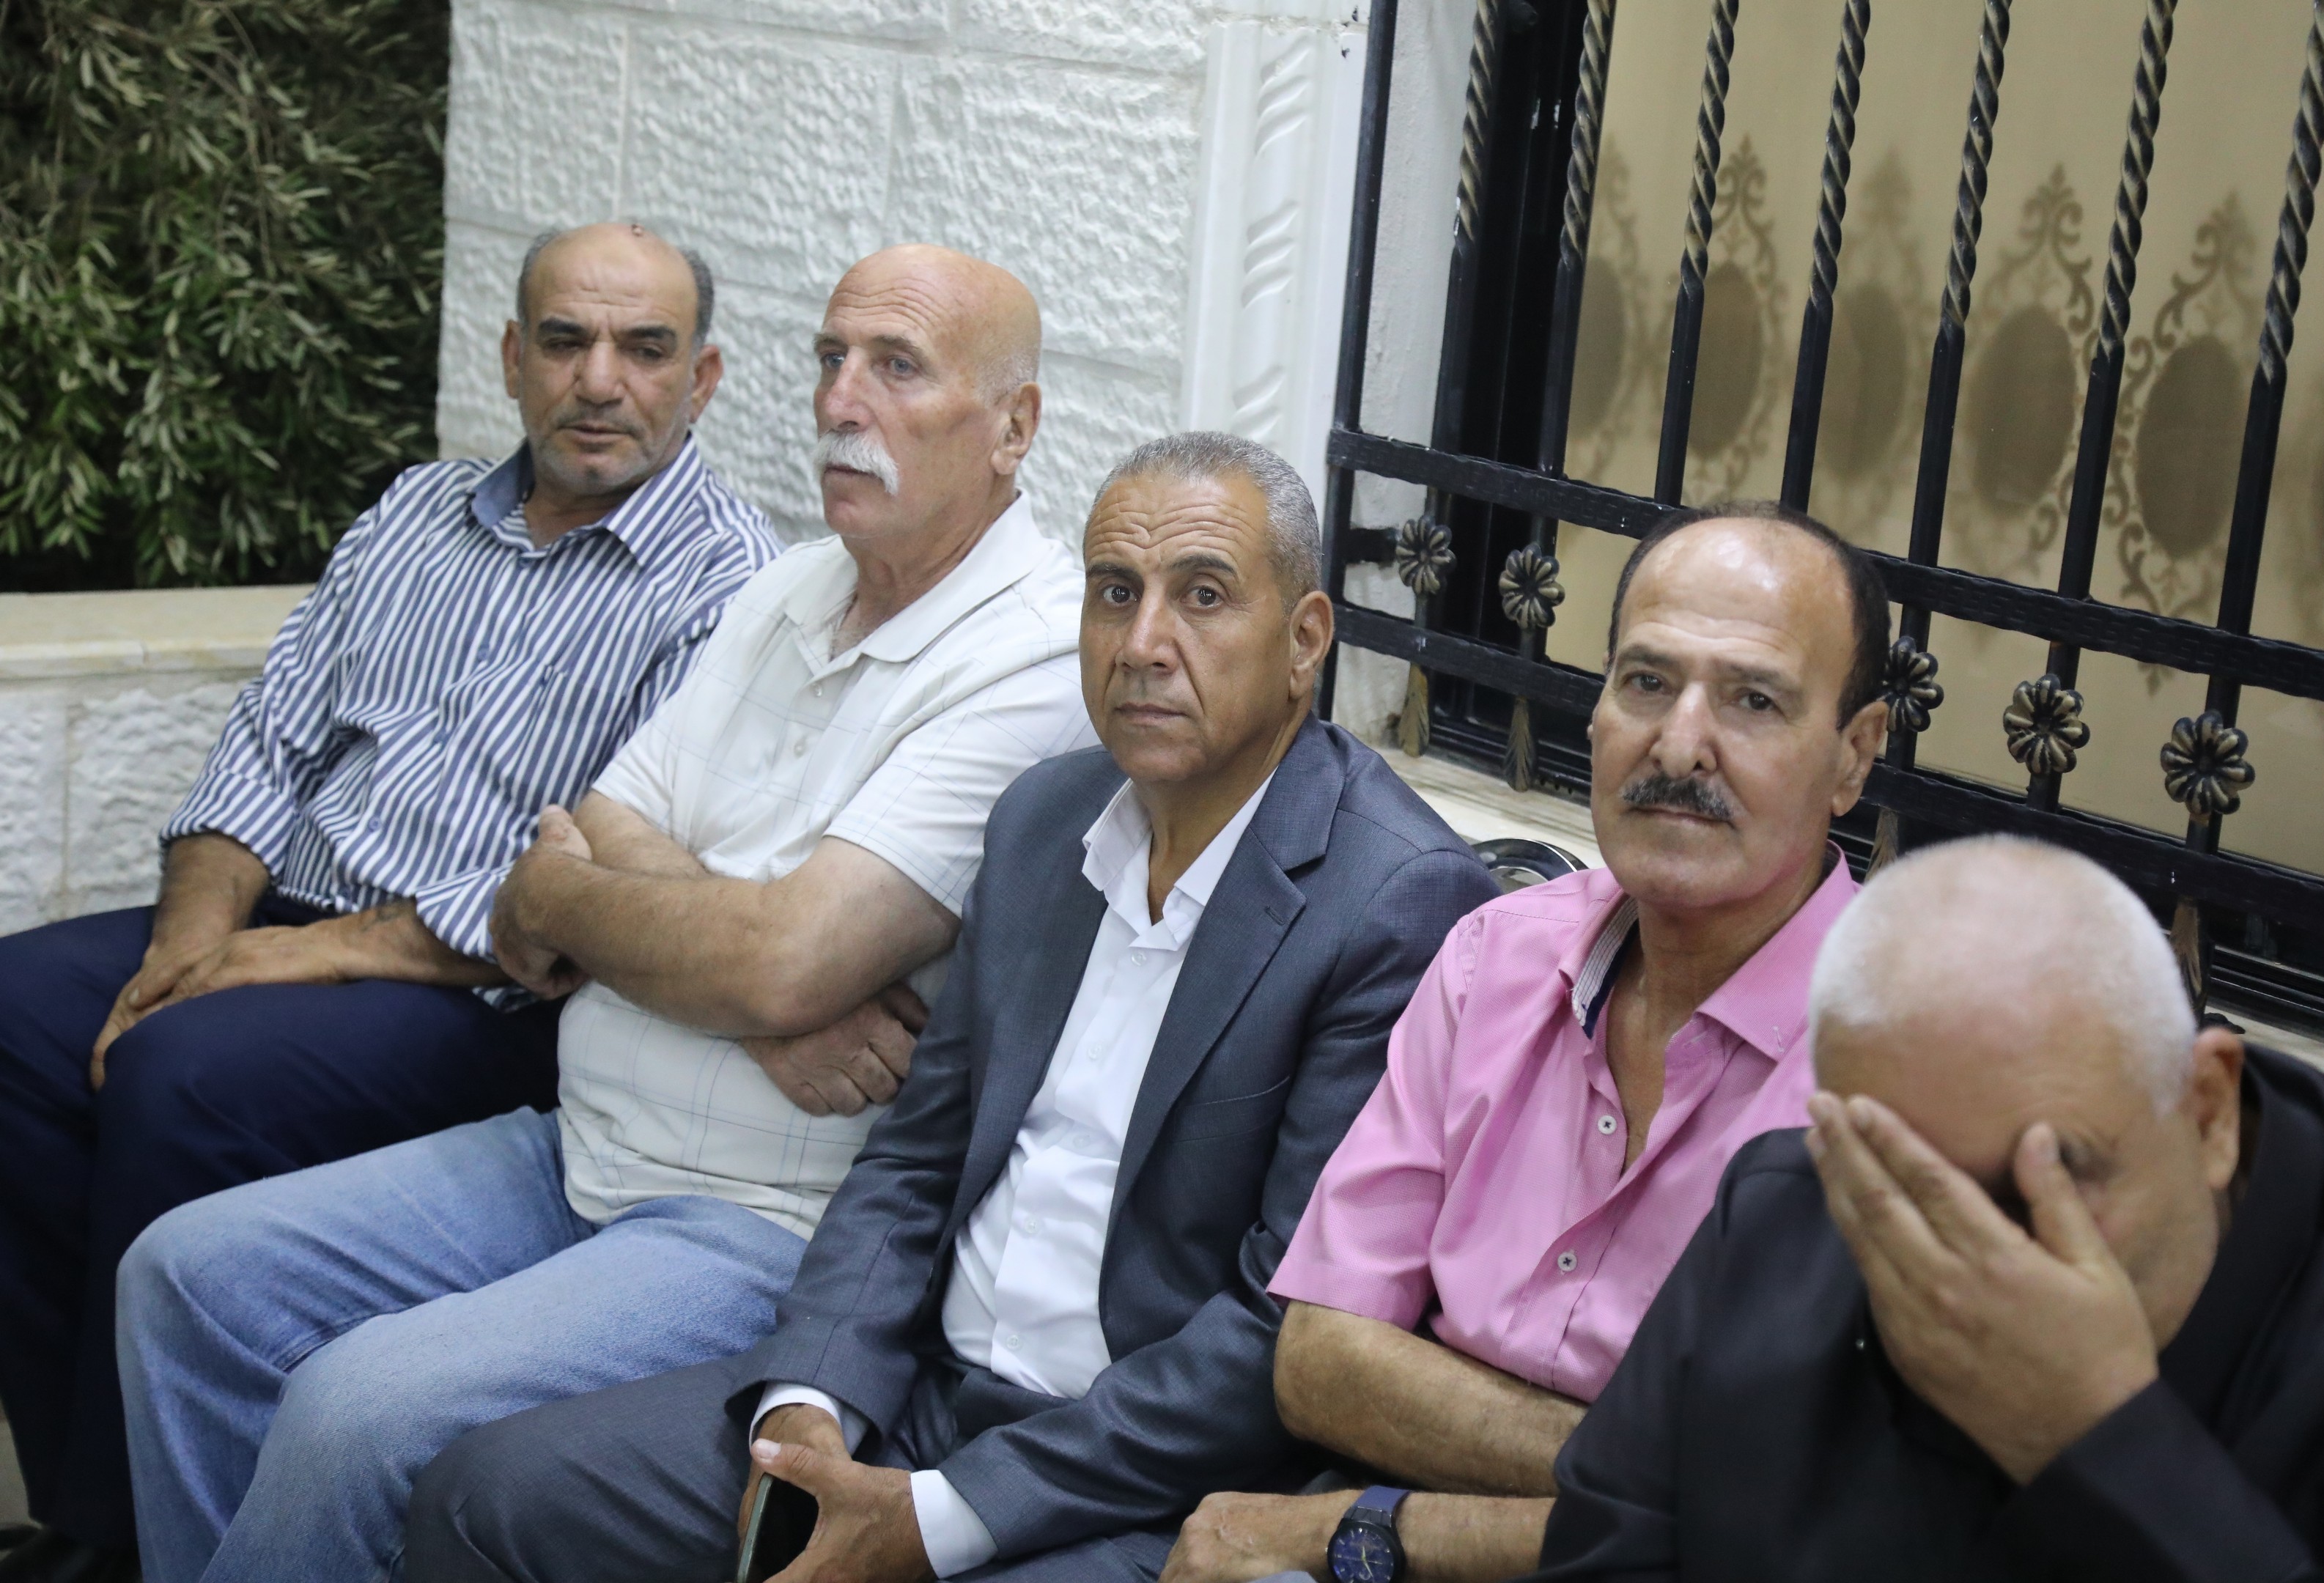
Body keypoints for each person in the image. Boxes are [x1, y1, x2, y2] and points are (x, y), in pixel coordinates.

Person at [113, 244, 1096, 1583]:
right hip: (577, 1148)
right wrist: (682, 929)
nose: (838, 402)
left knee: (356, 1409)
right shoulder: (793, 585)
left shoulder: (1035, 656)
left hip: (762, 1221)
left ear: (1014, 427)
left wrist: (609, 905)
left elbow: (776, 954)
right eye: (830, 358)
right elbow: (585, 847)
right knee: (185, 1277)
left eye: (896, 368)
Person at [399, 431, 1502, 1583]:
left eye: (1204, 597)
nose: (1142, 645)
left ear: (1306, 640)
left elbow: (1280, 1325)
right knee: (487, 1500)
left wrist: (939, 1517)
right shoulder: (1043, 821)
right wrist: (811, 1401)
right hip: (917, 1400)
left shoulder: (1392, 901)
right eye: (1114, 593)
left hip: (1137, 1489)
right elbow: (915, 1160)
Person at [0, 221, 781, 1583]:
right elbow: (270, 741)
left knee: (184, 1074)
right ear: (511, 358)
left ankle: (147, 1546)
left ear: (701, 379)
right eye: (565, 341)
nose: (600, 380)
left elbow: (592, 879)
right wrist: (196, 939)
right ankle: (95, 1504)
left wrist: (301, 960)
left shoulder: (731, 584)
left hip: (484, 987)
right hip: (288, 924)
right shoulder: (417, 511)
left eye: (645, 349)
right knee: (16, 1014)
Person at [1162, 501, 1890, 1583]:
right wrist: (1666, 1486)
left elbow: (1803, 1533)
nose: (1679, 744)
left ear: (1853, 756)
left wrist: (1375, 1527)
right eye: (1647, 682)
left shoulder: (1904, 1072)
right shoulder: (1495, 957)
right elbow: (1319, 1362)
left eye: (1754, 700)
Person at [1529, 835, 2324, 1581]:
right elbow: (1603, 1552)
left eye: (2049, 1181)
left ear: (2208, 1112)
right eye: (1914, 1189)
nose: (1976, 1271)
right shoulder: (1790, 1212)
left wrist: (2105, 1441)